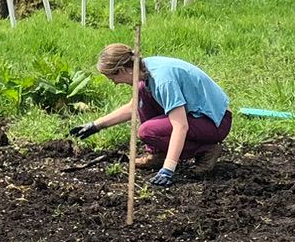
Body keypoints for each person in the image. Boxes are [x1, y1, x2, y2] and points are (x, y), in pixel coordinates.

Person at [69, 45, 231, 187]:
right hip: (198, 118)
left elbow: (181, 126)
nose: (115, 83)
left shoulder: (162, 80)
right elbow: (134, 107)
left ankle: (206, 150)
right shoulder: (145, 70)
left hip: (214, 123)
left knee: (147, 131)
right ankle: (158, 154)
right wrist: (95, 125)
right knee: (141, 91)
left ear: (125, 69)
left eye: (113, 78)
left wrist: (168, 169)